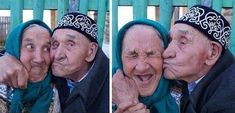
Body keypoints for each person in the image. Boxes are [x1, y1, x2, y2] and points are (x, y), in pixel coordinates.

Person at [0, 12, 109, 113]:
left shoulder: (109, 90)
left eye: (70, 44)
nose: (57, 55)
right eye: (55, 44)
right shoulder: (53, 73)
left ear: (90, 51)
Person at [163, 5, 235, 113]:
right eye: (170, 41)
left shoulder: (228, 98)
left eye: (183, 42)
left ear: (212, 53)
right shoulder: (189, 78)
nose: (166, 53)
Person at [112, 19, 179, 113]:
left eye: (151, 54)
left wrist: (128, 104)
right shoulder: (106, 91)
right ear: (120, 58)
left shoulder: (184, 96)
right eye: (132, 55)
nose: (142, 67)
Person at [0, 20, 61, 113]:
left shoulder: (59, 90)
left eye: (46, 48)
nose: (39, 59)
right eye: (30, 46)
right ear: (15, 49)